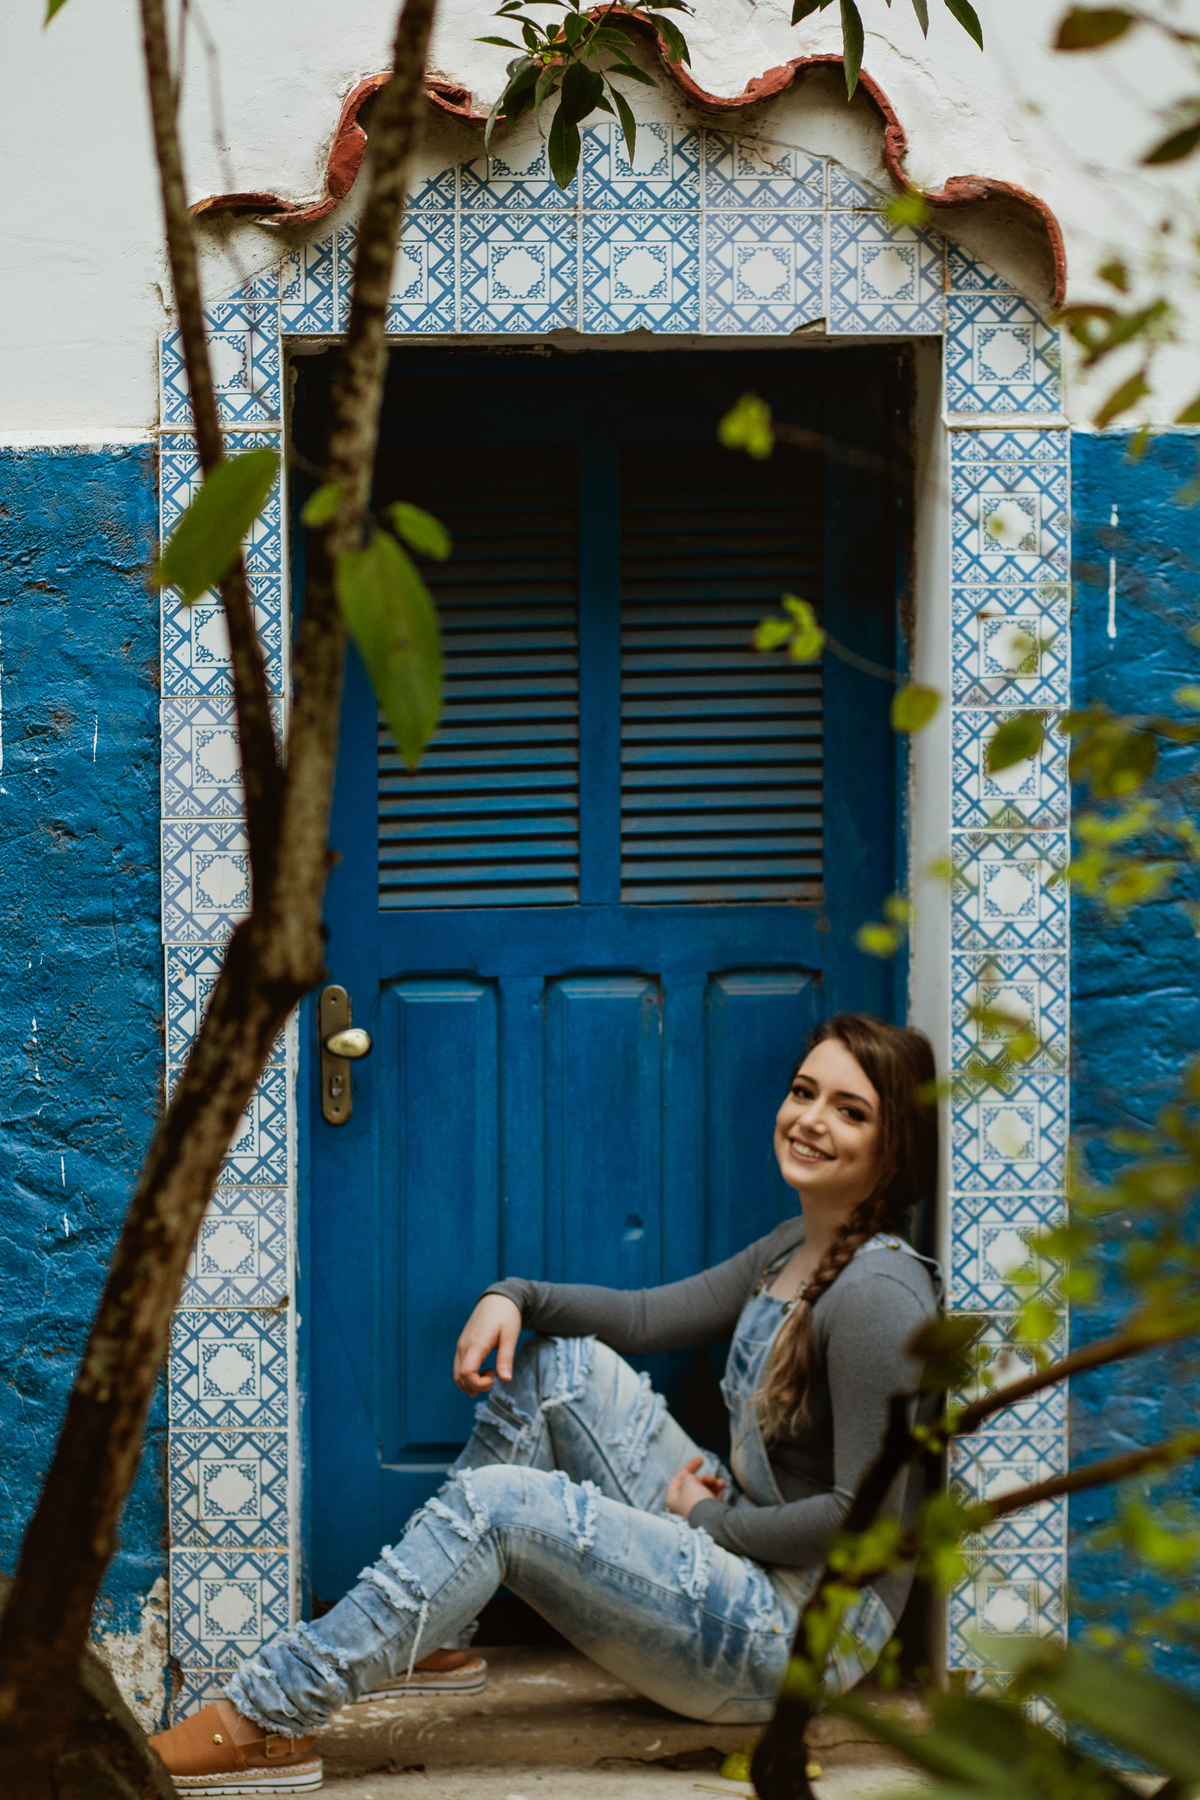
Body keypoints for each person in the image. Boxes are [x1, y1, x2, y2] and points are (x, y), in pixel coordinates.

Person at [149, 1013, 940, 1792]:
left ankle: (270, 1716)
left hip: (795, 1640)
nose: (809, 1120)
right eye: (804, 1092)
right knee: (560, 1365)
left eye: (850, 1110)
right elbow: (643, 1317)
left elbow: (859, 1522)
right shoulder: (794, 1247)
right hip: (751, 1560)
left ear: (892, 1144)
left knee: (501, 1506)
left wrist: (709, 1523)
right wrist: (515, 1297)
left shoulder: (878, 1294)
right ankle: (431, 1630)